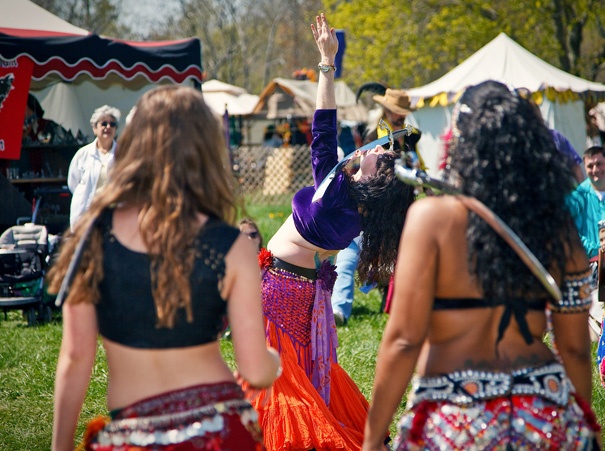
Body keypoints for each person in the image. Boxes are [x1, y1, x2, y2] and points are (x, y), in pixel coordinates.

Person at [363, 80, 600, 450]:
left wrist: (373, 438)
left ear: (460, 141)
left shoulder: (432, 219)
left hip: (455, 417)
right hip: (544, 411)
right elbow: (574, 349)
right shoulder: (560, 228)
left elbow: (404, 340)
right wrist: (584, 428)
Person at [48, 85, 281, 451]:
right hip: (219, 431)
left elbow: (75, 358)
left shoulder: (92, 233)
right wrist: (274, 362)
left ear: (134, 145)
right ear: (205, 150)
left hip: (133, 434)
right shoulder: (232, 245)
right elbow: (255, 371)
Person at [245, 14, 415, 451]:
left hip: (283, 286)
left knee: (281, 377)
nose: (374, 150)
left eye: (379, 155)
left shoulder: (339, 191)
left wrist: (326, 62)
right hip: (304, 289)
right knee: (297, 371)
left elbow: (322, 127)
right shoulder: (357, 212)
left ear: (374, 179)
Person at [67, 105, 121, 230]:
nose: (108, 127)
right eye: (104, 123)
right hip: (87, 213)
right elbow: (73, 183)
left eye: (112, 124)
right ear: (94, 128)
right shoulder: (83, 154)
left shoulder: (122, 153)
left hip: (113, 213)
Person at [567, 145, 605, 260]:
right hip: (590, 267)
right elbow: (570, 231)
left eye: (599, 164)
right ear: (584, 167)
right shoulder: (577, 197)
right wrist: (596, 250)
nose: (595, 170)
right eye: (590, 166)